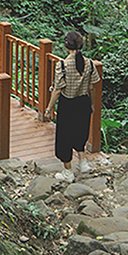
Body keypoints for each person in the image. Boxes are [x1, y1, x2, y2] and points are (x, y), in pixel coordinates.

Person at [43, 30, 100, 182]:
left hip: (68, 104)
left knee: (64, 138)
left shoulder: (62, 65)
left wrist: (49, 109)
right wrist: (92, 103)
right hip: (83, 102)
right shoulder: (89, 63)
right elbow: (92, 87)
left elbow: (57, 90)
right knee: (80, 132)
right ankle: (82, 162)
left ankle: (68, 172)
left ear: (66, 46)